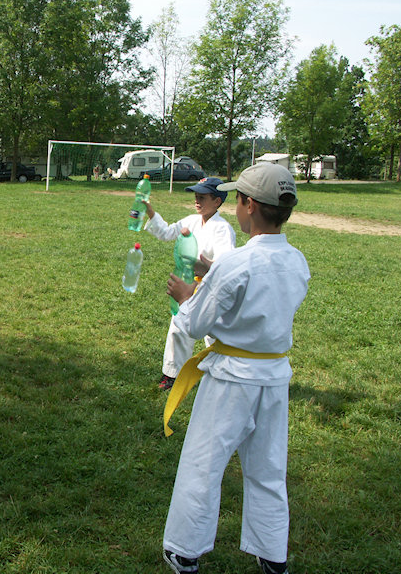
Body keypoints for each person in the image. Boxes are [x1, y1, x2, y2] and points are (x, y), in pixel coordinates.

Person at [161, 162, 310, 574]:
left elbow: (194, 323)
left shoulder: (237, 263)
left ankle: (185, 549)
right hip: (273, 379)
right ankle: (272, 553)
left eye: (239, 200)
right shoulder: (297, 261)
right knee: (268, 468)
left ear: (249, 205)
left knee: (203, 463)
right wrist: (212, 276)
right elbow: (258, 293)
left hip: (231, 379)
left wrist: (188, 295)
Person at [143, 177, 236, 390]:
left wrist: (205, 266)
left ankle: (222, 373)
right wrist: (149, 210)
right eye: (196, 196)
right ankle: (173, 374)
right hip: (188, 285)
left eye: (202, 197)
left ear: (217, 201)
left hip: (210, 288)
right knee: (179, 327)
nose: (197, 201)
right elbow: (166, 233)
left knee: (213, 333)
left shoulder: (222, 229)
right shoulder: (192, 221)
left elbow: (226, 266)